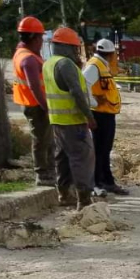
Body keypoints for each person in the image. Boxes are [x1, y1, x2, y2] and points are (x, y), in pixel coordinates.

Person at [43, 26, 97, 209]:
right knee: (82, 159)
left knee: (63, 159)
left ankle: (64, 194)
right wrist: (89, 116)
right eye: (75, 48)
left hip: (57, 121)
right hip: (74, 122)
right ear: (67, 47)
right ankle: (84, 199)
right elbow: (76, 92)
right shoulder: (66, 65)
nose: (77, 52)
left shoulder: (48, 64)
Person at [11, 16, 54, 188]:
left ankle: (49, 171)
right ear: (34, 38)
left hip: (33, 104)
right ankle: (42, 174)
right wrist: (46, 107)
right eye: (41, 38)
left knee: (46, 140)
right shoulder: (28, 59)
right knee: (41, 140)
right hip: (36, 105)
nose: (42, 42)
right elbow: (35, 86)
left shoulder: (23, 53)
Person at [83, 38, 127, 195]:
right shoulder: (95, 66)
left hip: (106, 113)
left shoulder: (101, 65)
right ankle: (98, 182)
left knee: (104, 149)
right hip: (100, 114)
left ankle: (106, 181)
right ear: (110, 53)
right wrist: (93, 102)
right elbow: (83, 84)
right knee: (100, 149)